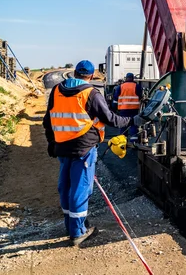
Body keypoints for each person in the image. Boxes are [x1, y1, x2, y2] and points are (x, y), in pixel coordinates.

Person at [43, 60, 144, 246]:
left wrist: (51, 142)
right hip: (83, 148)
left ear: (74, 73)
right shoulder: (91, 94)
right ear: (90, 76)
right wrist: (133, 121)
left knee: (65, 186)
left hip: (62, 148)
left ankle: (71, 224)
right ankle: (77, 231)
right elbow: (112, 119)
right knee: (81, 188)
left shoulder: (57, 91)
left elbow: (47, 120)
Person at [112, 73, 142, 140]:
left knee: (123, 125)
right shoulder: (137, 86)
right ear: (132, 78)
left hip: (123, 110)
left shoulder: (120, 87)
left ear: (126, 78)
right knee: (134, 124)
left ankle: (122, 142)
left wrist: (113, 109)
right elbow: (140, 97)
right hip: (134, 109)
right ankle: (134, 142)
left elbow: (115, 100)